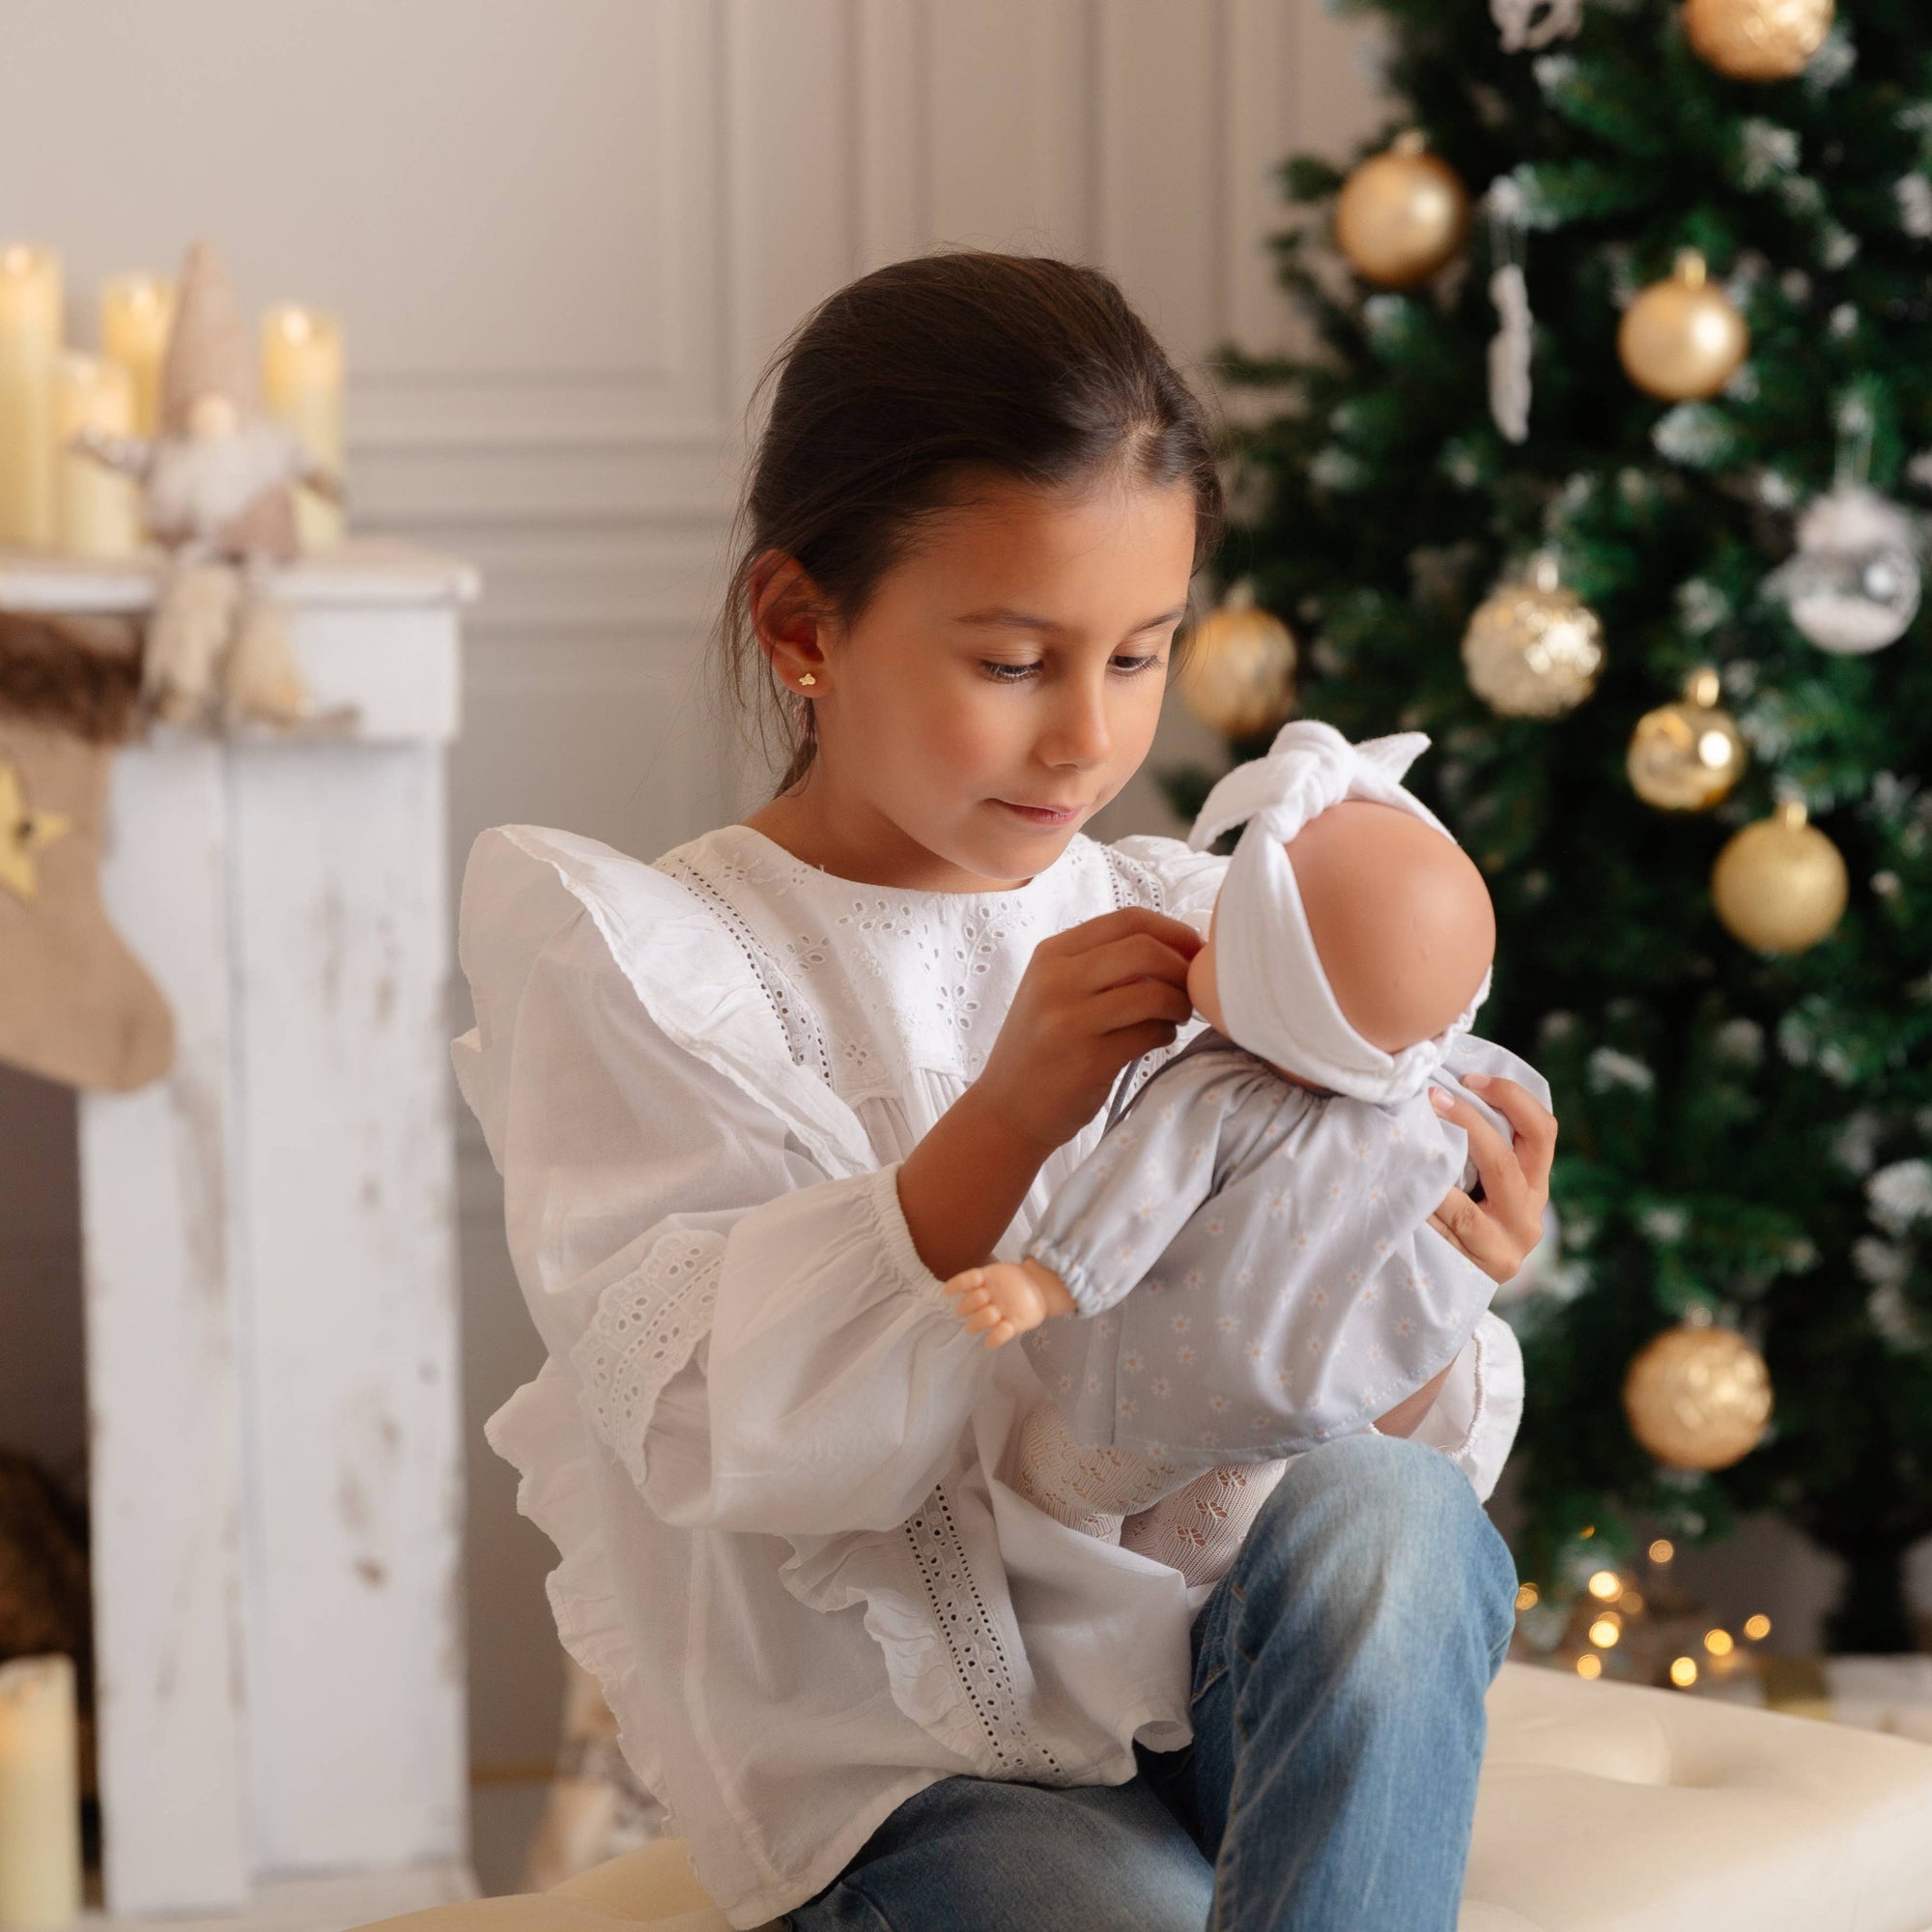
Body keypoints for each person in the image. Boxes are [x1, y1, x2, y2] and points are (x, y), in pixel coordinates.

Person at [453, 250, 1556, 1932]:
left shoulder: (1202, 924)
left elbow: (1313, 1397)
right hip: (919, 1781)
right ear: (802, 625)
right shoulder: (658, 966)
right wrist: (1008, 1118)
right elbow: (722, 1432)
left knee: (1396, 1515)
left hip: (1236, 1680)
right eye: (1015, 661)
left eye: (1138, 658)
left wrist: (1428, 1274)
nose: (1085, 743)